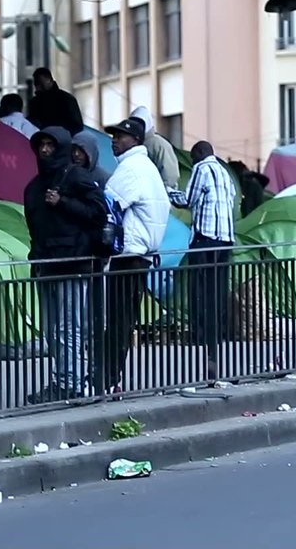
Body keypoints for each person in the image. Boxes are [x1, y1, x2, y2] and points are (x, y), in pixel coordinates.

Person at [23, 126, 106, 403]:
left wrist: (63, 202)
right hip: (45, 264)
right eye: (41, 145)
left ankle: (70, 382)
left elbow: (98, 213)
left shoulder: (76, 177)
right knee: (51, 329)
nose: (45, 150)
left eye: (50, 144)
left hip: (73, 264)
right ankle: (64, 379)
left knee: (67, 328)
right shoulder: (33, 187)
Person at [100, 116, 169, 393]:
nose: (114, 140)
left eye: (120, 136)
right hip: (142, 255)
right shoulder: (147, 167)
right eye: (113, 135)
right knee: (125, 319)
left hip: (127, 255)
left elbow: (108, 203)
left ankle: (106, 378)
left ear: (136, 140)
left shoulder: (131, 168)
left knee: (116, 320)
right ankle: (111, 377)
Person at [168, 141, 237, 379]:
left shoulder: (201, 168)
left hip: (205, 237)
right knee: (218, 288)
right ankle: (218, 333)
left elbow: (188, 200)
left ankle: (200, 335)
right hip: (226, 238)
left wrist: (168, 192)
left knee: (199, 288)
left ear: (198, 154)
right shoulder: (225, 173)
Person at [129, 106, 181, 189]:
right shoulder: (131, 144)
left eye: (139, 123)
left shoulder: (159, 144)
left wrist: (162, 192)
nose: (136, 127)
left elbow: (170, 176)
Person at [26, 68, 84, 136]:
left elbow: (77, 126)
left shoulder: (66, 99)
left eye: (40, 83)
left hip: (61, 139)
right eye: (36, 84)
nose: (37, 87)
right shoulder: (34, 103)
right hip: (43, 139)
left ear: (48, 80)